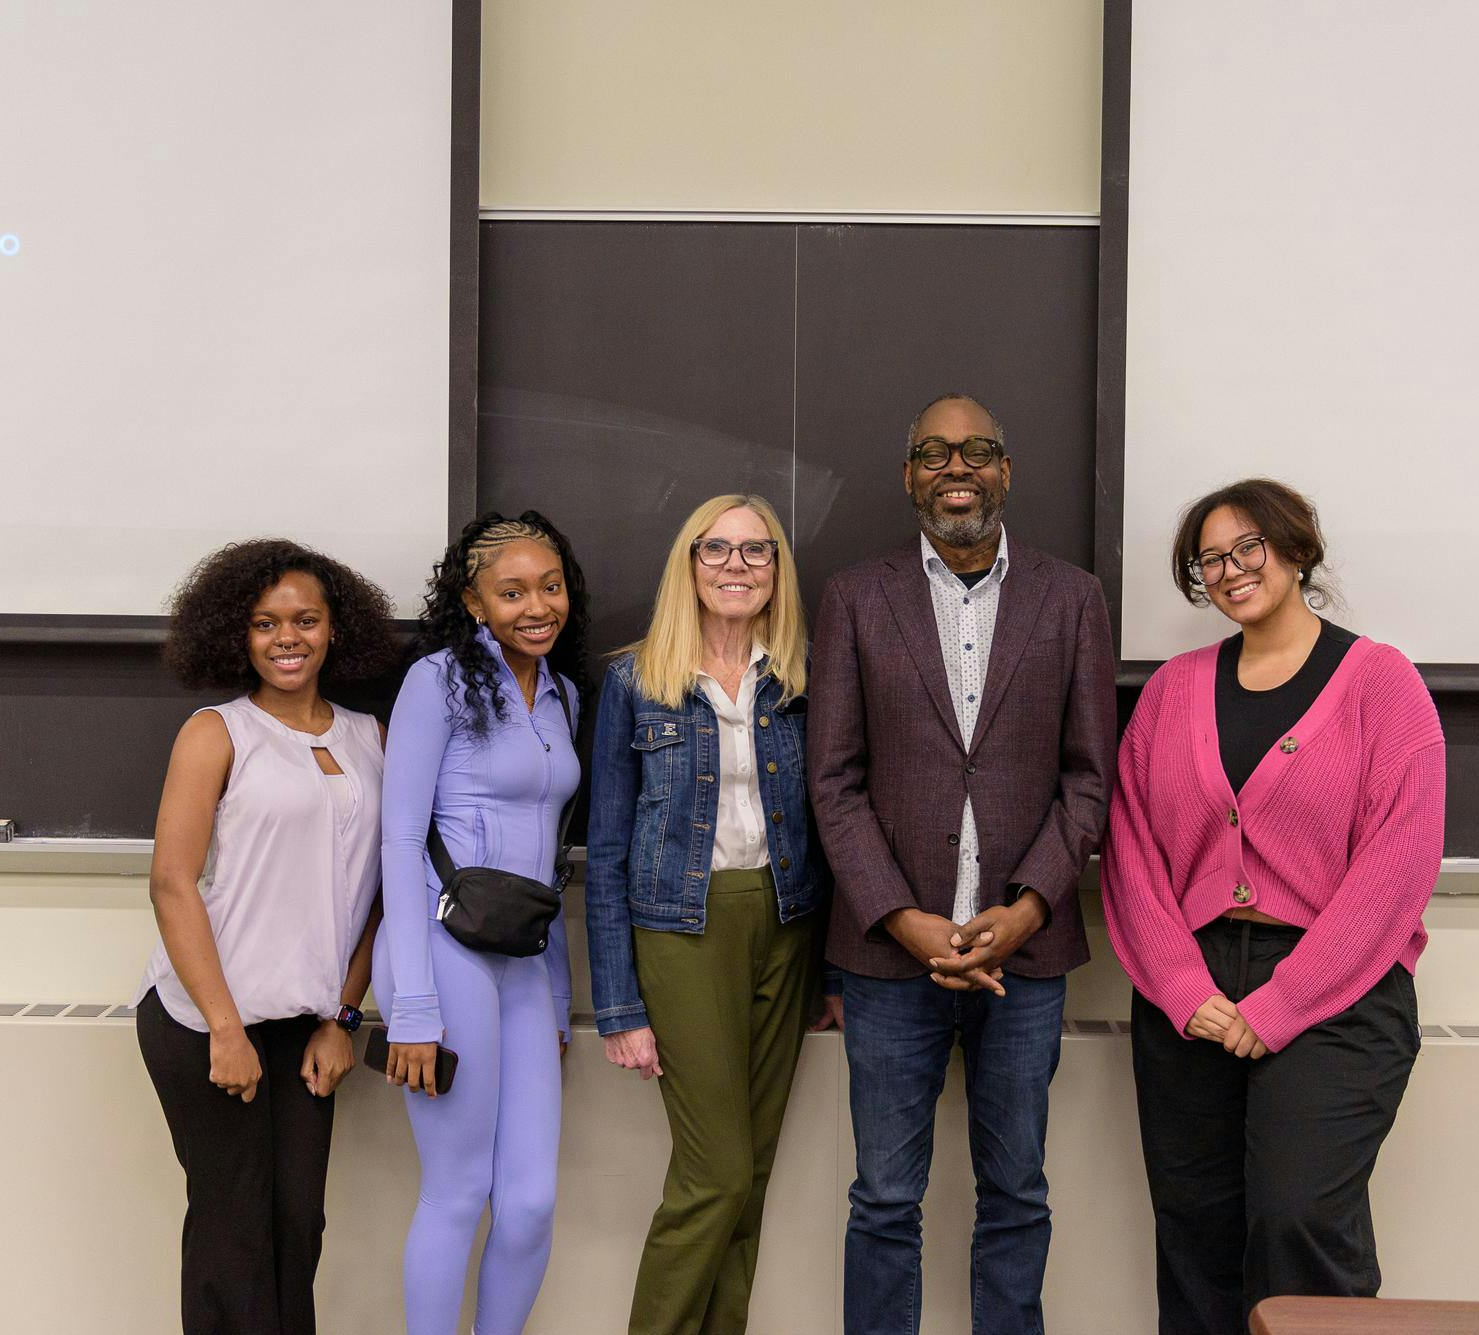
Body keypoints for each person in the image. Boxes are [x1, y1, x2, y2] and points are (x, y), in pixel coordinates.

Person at [1102, 478, 1445, 1334]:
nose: (1231, 570)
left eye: (1247, 547)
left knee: (1302, 1221)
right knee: (1195, 1228)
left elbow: (1396, 868)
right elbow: (1132, 852)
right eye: (1210, 560)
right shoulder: (1171, 691)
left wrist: (1287, 999)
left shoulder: (1383, 684)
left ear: (1295, 551)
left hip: (1338, 993)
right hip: (1194, 995)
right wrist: (1182, 987)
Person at [808, 392, 1118, 1335]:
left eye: (977, 450)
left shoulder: (1073, 598)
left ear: (1005, 471)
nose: (957, 467)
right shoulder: (855, 597)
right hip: (888, 959)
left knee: (1017, 1192)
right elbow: (834, 782)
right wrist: (904, 919)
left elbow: (1089, 777)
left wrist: (1027, 908)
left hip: (1025, 957)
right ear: (909, 475)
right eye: (935, 452)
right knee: (883, 1199)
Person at [586, 494, 841, 1335]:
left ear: (777, 569)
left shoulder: (803, 677)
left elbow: (837, 824)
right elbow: (606, 850)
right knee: (717, 1174)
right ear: (689, 564)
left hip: (789, 924)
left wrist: (835, 971)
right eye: (717, 548)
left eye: (756, 550)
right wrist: (618, 1004)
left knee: (752, 1176)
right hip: (682, 930)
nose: (737, 565)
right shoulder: (635, 681)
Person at [134, 538, 397, 1335]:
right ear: (238, 634)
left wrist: (342, 1017)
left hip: (306, 1025)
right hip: (207, 1019)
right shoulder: (217, 732)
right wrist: (225, 1027)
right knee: (235, 1231)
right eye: (265, 622)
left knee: (298, 1226)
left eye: (305, 620)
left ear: (334, 628)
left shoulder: (372, 737)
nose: (288, 637)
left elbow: (379, 897)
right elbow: (172, 882)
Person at [374, 511, 589, 1335]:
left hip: (522, 963)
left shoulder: (564, 694)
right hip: (439, 952)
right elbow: (399, 839)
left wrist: (558, 987)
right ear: (473, 602)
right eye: (512, 592)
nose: (538, 606)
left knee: (530, 1201)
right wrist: (413, 1008)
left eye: (551, 586)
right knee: (459, 1189)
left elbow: (552, 856)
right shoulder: (437, 682)